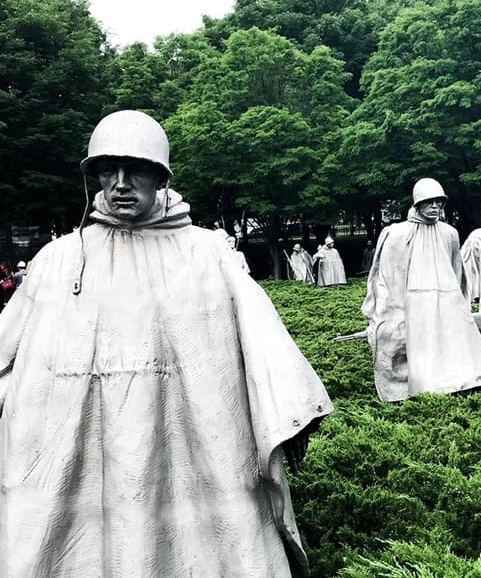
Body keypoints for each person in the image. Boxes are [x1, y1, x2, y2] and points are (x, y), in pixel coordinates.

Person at [0, 110, 333, 578]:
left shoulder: (206, 252)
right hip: (79, 450)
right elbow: (8, 352)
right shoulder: (58, 260)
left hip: (193, 444)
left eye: (134, 169)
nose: (119, 183)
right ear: (93, 176)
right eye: (107, 170)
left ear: (160, 176)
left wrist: (291, 415)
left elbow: (262, 339)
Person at [361, 178, 481, 402]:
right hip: (413, 300)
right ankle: (414, 388)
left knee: (451, 342)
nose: (435, 207)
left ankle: (457, 382)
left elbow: (457, 271)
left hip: (446, 298)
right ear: (418, 204)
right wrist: (388, 310)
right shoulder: (397, 234)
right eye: (430, 202)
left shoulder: (449, 233)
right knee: (414, 347)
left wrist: (460, 304)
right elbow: (388, 276)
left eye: (439, 202)